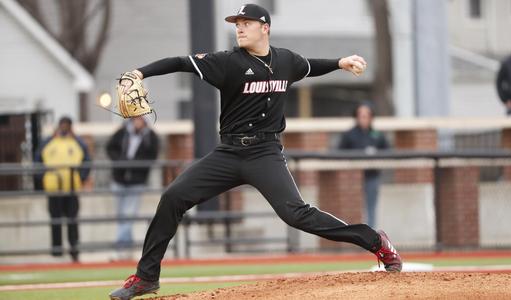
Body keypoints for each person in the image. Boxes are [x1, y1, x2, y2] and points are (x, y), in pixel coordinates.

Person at [109, 4, 402, 299]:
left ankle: (375, 240)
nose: (239, 27)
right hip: (228, 153)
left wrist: (340, 62)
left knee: (297, 215)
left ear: (265, 28)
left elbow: (310, 66)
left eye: (246, 23)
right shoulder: (226, 62)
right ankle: (146, 277)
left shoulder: (286, 60)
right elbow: (180, 62)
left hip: (265, 153)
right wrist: (139, 73)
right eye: (237, 23)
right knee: (172, 197)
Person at [34, 116, 91, 262]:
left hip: (71, 188)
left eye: (67, 125)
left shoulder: (76, 142)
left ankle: (74, 250)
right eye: (62, 125)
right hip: (54, 188)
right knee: (55, 220)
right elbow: (38, 160)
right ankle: (57, 251)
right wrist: (44, 179)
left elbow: (87, 160)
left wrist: (81, 178)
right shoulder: (49, 141)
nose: (64, 128)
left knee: (72, 220)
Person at [106, 116, 159, 256]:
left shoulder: (150, 136)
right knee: (121, 214)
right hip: (119, 179)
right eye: (136, 119)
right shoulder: (122, 132)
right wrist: (121, 162)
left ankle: (120, 245)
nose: (137, 122)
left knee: (129, 214)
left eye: (140, 119)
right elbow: (110, 148)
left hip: (137, 181)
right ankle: (126, 244)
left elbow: (152, 156)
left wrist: (135, 164)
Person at [339, 103, 389, 228]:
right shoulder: (349, 134)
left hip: (372, 175)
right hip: (353, 178)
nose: (364, 118)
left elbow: (387, 150)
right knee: (352, 208)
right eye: (361, 116)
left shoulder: (377, 134)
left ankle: (371, 237)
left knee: (371, 207)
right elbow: (339, 152)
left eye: (366, 116)